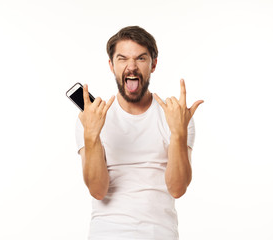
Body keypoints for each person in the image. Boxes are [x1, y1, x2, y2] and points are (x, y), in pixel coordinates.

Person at [75, 26, 204, 240]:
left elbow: (178, 188)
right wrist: (91, 135)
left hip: (159, 234)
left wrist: (178, 133)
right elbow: (98, 190)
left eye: (141, 59)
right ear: (111, 65)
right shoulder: (91, 118)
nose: (131, 67)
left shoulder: (175, 116)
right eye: (122, 59)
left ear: (153, 64)